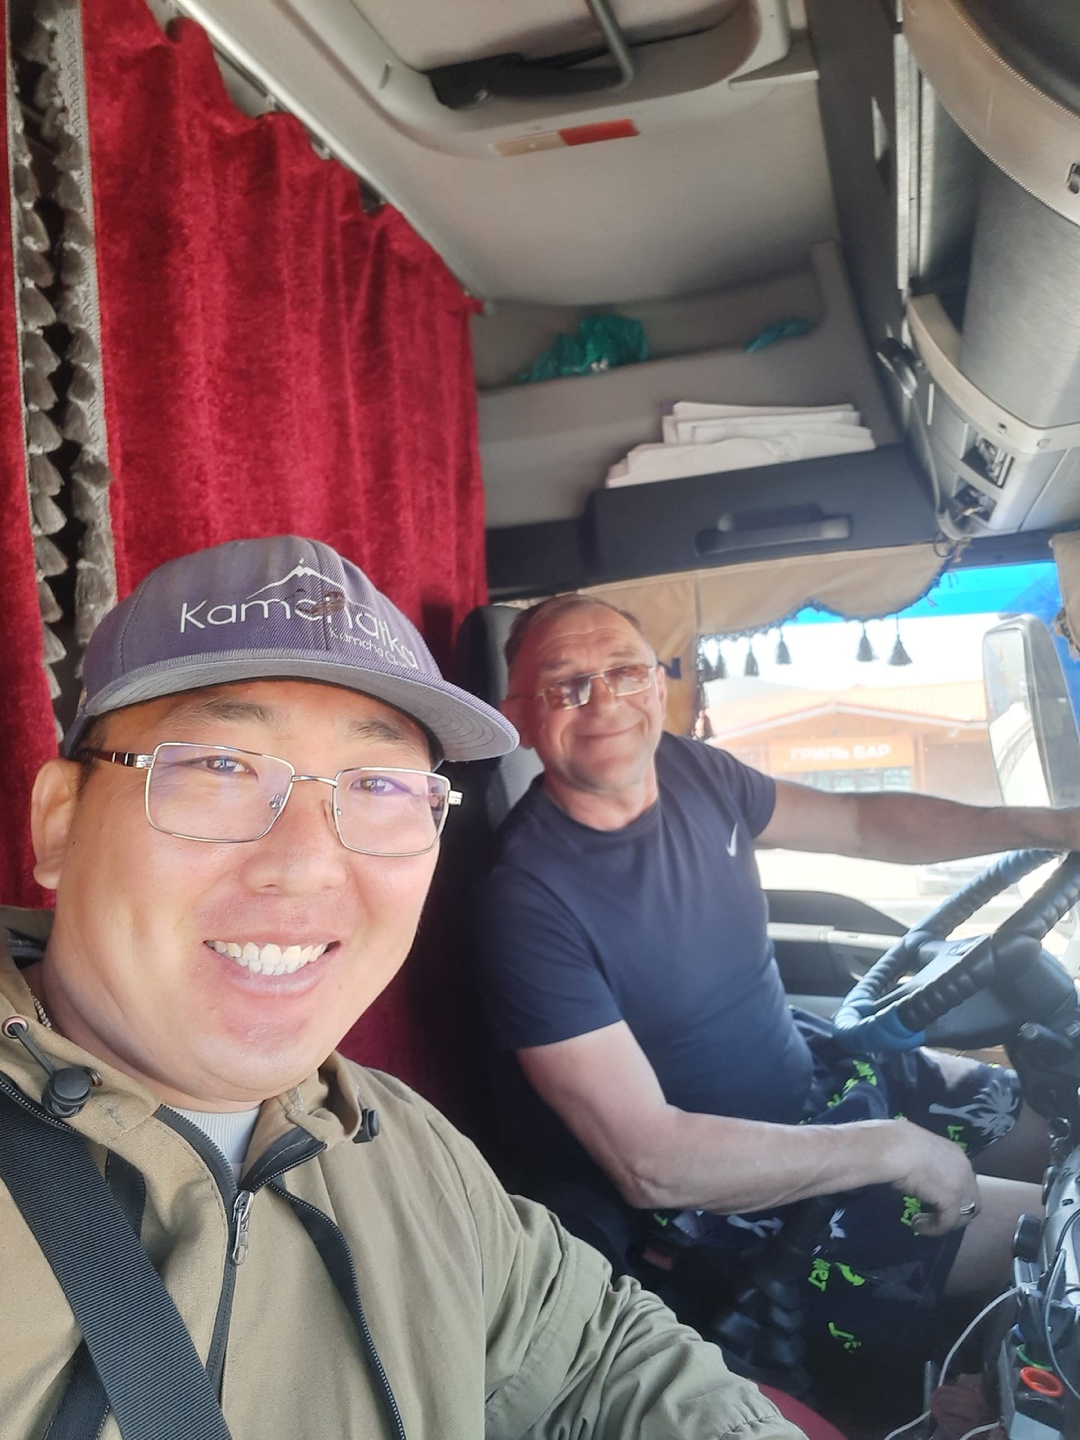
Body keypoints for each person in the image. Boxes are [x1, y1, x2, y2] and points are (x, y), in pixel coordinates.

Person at [0, 537, 809, 1440]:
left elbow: (603, 1359)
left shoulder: (400, 1140)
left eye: (380, 784)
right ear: (59, 822)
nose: (308, 865)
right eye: (221, 766)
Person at [476, 593, 1068, 1372]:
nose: (604, 702)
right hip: (731, 1196)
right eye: (565, 685)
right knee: (1064, 1243)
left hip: (823, 1076)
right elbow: (651, 1161)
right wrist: (890, 1149)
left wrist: (1049, 826)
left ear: (658, 684)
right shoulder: (525, 902)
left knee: (1059, 1120)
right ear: (517, 717)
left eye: (624, 671)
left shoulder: (689, 769)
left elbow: (861, 823)